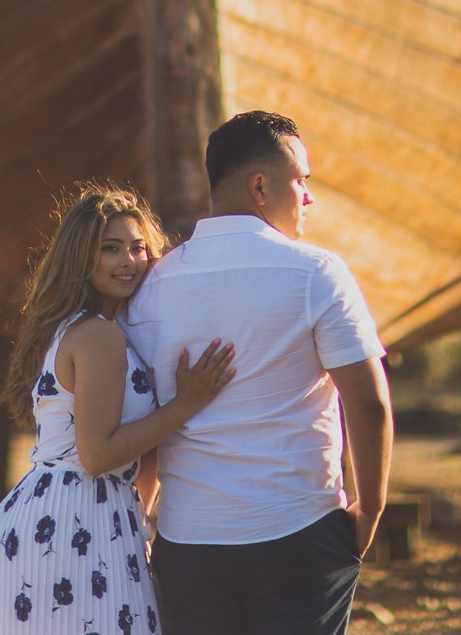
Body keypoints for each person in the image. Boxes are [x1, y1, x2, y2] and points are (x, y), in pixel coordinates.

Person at [123, 111, 393, 635]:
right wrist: (371, 510)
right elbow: (369, 403)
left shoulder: (150, 286)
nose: (309, 198)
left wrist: (141, 523)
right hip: (300, 532)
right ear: (260, 187)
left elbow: (142, 419)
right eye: (301, 181)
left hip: (189, 541)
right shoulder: (316, 273)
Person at [0, 185, 236, 634]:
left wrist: (139, 519)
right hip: (71, 520)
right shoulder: (99, 336)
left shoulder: (84, 330)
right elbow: (97, 454)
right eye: (110, 248)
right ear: (81, 257)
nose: (129, 261)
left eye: (138, 248)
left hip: (72, 513)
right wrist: (186, 403)